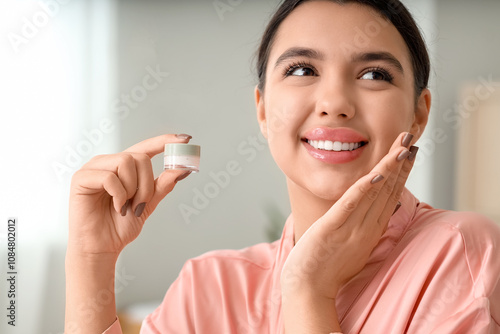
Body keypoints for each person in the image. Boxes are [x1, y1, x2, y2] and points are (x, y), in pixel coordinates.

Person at [65, 0, 500, 333]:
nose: (334, 104)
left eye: (373, 75)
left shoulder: (464, 251)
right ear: (262, 109)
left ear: (419, 114)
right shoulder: (209, 286)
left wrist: (309, 291)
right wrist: (91, 258)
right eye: (302, 69)